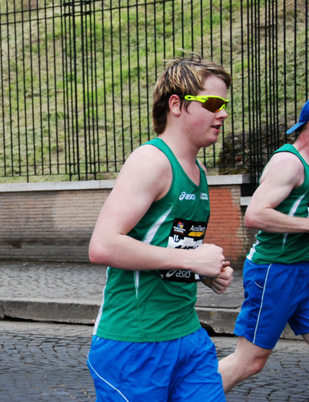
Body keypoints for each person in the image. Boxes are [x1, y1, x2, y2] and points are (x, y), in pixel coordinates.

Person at [87, 55, 235, 401]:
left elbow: (169, 249)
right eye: (213, 103)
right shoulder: (151, 161)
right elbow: (103, 245)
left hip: (188, 338)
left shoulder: (197, 170)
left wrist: (203, 271)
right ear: (176, 105)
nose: (223, 113)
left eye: (224, 104)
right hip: (135, 344)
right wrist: (193, 262)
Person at [218, 100, 309, 391]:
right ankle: (187, 393)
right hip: (275, 273)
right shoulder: (289, 162)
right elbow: (256, 214)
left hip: (303, 270)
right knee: (249, 361)